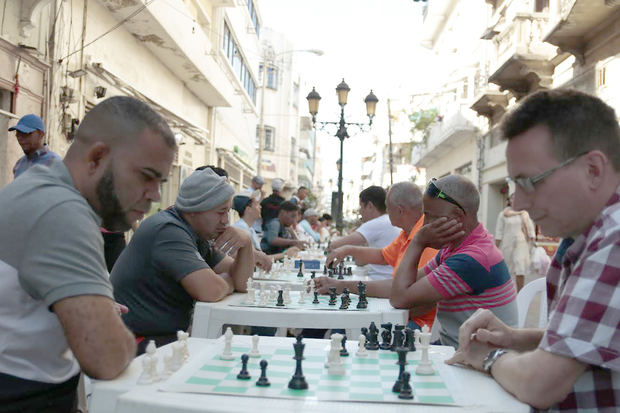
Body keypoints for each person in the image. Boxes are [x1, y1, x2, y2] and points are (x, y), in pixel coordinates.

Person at [446, 89, 620, 411]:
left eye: (529, 182)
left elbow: (542, 384)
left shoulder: (614, 239)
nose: (520, 203)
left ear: (593, 170)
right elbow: (585, 340)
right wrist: (513, 338)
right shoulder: (584, 234)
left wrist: (488, 356)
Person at [0, 96, 176, 411]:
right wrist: (104, 317)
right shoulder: (62, 212)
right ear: (96, 158)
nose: (155, 195)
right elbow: (105, 355)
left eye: (160, 182)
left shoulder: (42, 188)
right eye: (145, 176)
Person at [111, 168, 254, 353]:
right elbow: (211, 290)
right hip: (135, 345)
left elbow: (243, 282)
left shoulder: (195, 232)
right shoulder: (168, 231)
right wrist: (228, 280)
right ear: (194, 210)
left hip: (157, 339)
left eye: (228, 212)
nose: (226, 221)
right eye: (221, 212)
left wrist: (247, 244)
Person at [390, 175, 518, 348]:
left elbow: (399, 298)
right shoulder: (455, 248)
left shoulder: (472, 259)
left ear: (458, 216)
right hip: (455, 349)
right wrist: (348, 285)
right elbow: (403, 286)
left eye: (431, 217)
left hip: (481, 362)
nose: (425, 225)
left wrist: (418, 242)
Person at [317, 182, 438, 329]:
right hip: (399, 311)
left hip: (416, 324)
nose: (386, 213)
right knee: (343, 324)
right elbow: (383, 256)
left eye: (388, 208)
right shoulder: (407, 232)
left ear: (400, 211)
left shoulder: (425, 239)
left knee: (346, 326)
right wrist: (348, 249)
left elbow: (414, 294)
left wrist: (342, 285)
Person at [329, 185, 400, 280]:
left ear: (370, 206)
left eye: (361, 207)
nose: (360, 212)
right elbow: (360, 262)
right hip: (384, 279)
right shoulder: (386, 220)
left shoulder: (377, 223)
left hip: (381, 280)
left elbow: (335, 245)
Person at [232, 194, 297, 265]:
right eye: (257, 205)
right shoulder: (242, 229)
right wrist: (285, 254)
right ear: (248, 209)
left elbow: (260, 256)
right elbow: (256, 259)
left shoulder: (250, 229)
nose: (260, 207)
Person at [495, 193, 535, 291]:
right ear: (510, 200)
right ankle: (506, 293)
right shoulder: (503, 214)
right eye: (513, 198)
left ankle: (520, 293)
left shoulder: (524, 213)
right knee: (507, 269)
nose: (515, 200)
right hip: (507, 244)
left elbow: (530, 229)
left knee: (520, 268)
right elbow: (499, 232)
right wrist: (495, 248)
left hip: (522, 244)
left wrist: (532, 243)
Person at [9, 113, 61, 178]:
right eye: (18, 134)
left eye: (26, 133)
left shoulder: (56, 163)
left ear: (41, 134)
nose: (20, 139)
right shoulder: (19, 164)